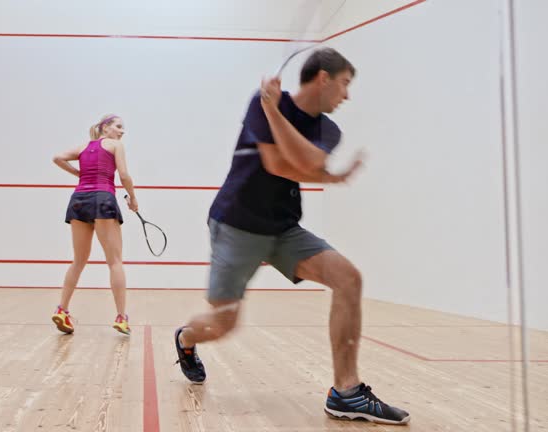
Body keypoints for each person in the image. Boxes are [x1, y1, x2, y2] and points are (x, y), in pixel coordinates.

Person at [172, 48, 410, 425]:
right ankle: (186, 339)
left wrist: (277, 120)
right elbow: (279, 164)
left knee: (348, 279)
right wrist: (272, 111)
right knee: (224, 323)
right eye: (345, 84)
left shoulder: (323, 127)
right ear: (323, 78)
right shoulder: (264, 101)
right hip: (236, 225)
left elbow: (308, 163)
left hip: (283, 228)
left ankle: (346, 393)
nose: (346, 96)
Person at [51, 114, 138, 335]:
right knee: (115, 261)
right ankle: (121, 317)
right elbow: (125, 175)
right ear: (105, 127)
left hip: (79, 200)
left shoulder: (82, 148)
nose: (122, 131)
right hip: (103, 198)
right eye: (119, 126)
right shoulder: (115, 145)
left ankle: (62, 310)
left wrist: (79, 174)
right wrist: (133, 198)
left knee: (79, 260)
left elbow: (58, 157)